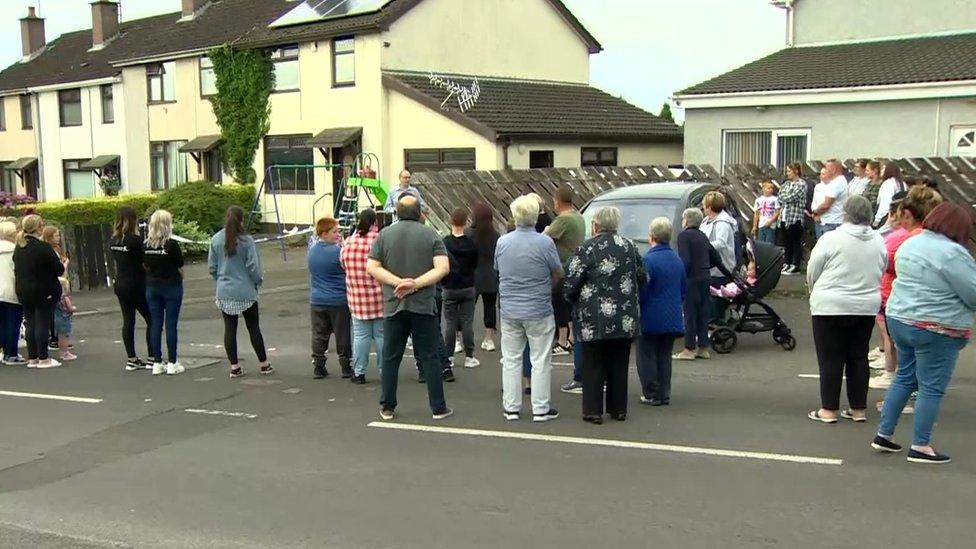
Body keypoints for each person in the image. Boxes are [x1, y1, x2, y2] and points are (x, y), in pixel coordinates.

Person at [873, 203, 976, 464]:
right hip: (936, 327)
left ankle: (884, 434)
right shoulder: (953, 254)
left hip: (900, 319)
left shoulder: (910, 243)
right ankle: (921, 445)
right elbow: (972, 294)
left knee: (904, 377)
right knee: (931, 387)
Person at [367, 195, 453, 421]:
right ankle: (438, 407)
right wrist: (415, 284)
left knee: (390, 357)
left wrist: (397, 283)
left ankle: (387, 406)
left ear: (396, 212)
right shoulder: (431, 235)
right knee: (430, 356)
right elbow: (443, 268)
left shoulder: (384, 235)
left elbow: (372, 266)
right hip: (423, 305)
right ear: (419, 213)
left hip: (393, 304)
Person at [806, 196, 886, 424]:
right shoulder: (878, 240)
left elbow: (813, 268)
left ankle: (828, 410)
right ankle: (858, 408)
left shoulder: (831, 238)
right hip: (864, 306)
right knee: (858, 356)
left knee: (830, 358)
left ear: (845, 213)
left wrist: (814, 290)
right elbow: (882, 266)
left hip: (830, 305)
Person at [564, 206, 646, 424]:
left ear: (595, 225)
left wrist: (571, 300)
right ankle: (618, 409)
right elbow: (643, 275)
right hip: (625, 317)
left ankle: (593, 411)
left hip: (595, 318)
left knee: (593, 364)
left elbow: (571, 282)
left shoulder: (586, 249)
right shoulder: (629, 246)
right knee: (619, 363)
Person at [495, 195, 563, 422]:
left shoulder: (503, 242)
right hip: (539, 308)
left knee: (511, 359)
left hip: (510, 309)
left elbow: (498, 269)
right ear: (536, 217)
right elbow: (557, 272)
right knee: (541, 359)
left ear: (515, 217)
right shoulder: (545, 243)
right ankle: (540, 408)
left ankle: (511, 407)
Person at [870, 187, 942, 391]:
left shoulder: (907, 238)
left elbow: (886, 260)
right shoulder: (938, 239)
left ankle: (902, 385)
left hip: (901, 301)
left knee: (900, 350)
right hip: (920, 304)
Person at [209, 206, 272, 379]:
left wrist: (221, 279)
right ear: (242, 220)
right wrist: (257, 281)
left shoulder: (215, 240)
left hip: (224, 291)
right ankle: (264, 364)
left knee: (230, 329)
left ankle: (234, 367)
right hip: (245, 290)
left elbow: (212, 268)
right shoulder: (247, 241)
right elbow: (254, 267)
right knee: (253, 327)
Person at [637, 217, 686, 406]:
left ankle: (651, 392)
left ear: (652, 236)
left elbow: (643, 289)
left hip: (651, 316)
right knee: (665, 356)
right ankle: (664, 393)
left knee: (646, 355)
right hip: (672, 315)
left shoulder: (648, 260)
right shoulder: (677, 259)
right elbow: (683, 289)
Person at [673, 208, 732, 361]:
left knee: (690, 314)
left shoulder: (684, 236)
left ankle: (689, 348)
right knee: (702, 312)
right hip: (705, 276)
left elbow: (685, 260)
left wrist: (679, 276)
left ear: (686, 221)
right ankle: (703, 348)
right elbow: (715, 258)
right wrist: (729, 275)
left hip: (691, 278)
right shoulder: (702, 236)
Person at [13, 215, 65, 369]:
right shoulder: (43, 247)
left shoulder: (20, 247)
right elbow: (58, 269)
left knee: (30, 323)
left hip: (23, 290)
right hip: (43, 290)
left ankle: (33, 357)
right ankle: (43, 358)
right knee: (42, 323)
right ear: (38, 228)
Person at [340, 209, 384, 385]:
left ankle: (359, 372)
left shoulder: (349, 242)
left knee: (360, 336)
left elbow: (343, 264)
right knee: (381, 336)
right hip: (379, 297)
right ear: (375, 222)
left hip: (357, 297)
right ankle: (384, 371)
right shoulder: (379, 240)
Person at [308, 216, 352, 379]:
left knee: (319, 334)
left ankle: (318, 366)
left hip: (317, 298)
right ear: (324, 233)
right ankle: (346, 366)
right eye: (335, 232)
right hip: (338, 299)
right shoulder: (338, 252)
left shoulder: (312, 252)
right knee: (342, 334)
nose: (338, 234)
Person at [109, 206, 152, 371]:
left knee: (128, 321)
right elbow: (144, 262)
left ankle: (131, 358)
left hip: (120, 283)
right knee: (151, 319)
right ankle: (152, 357)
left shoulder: (113, 240)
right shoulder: (135, 240)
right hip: (137, 283)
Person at [143, 209, 185, 376]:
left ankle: (157, 362)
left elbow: (145, 265)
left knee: (155, 324)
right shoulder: (171, 245)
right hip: (172, 286)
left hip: (152, 286)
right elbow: (180, 264)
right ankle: (172, 362)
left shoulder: (145, 245)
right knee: (171, 324)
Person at [545, 185, 585, 355]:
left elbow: (546, 236)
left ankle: (562, 341)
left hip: (562, 268)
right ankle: (572, 339)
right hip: (575, 266)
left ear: (559, 202)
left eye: (554, 201)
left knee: (560, 304)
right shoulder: (579, 216)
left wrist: (547, 229)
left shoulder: (563, 220)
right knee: (571, 305)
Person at [441, 208, 480, 369]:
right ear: (466, 223)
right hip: (468, 286)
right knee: (467, 322)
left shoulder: (445, 242)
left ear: (451, 222)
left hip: (449, 286)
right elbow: (475, 264)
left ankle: (449, 356)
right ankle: (469, 356)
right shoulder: (471, 244)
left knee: (450, 323)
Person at [700, 191, 737, 324]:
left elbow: (721, 243)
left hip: (720, 267)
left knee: (716, 297)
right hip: (708, 265)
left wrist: (703, 245)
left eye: (704, 205)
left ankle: (718, 322)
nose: (703, 208)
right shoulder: (706, 221)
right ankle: (711, 321)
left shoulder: (723, 223)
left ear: (710, 207)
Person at [468, 202, 499, 352]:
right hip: (491, 275)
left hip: (472, 276)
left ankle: (461, 340)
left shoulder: (469, 234)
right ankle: (489, 339)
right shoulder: (496, 235)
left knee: (466, 310)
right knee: (490, 308)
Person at [0, 221, 25, 365]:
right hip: (11, 290)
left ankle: (5, 353)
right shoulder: (15, 251)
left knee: (3, 324)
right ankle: (12, 354)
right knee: (13, 324)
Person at [779, 163, 808, 275]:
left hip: (795, 218)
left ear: (796, 171)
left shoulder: (802, 184)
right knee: (786, 242)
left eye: (789, 171)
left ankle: (795, 264)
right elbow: (780, 197)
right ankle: (787, 262)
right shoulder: (786, 184)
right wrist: (784, 197)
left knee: (795, 242)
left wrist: (785, 196)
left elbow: (793, 197)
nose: (787, 173)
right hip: (784, 217)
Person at [41, 225, 66, 351]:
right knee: (57, 313)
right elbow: (57, 269)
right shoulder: (48, 250)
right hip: (54, 284)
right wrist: (64, 265)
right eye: (56, 235)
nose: (59, 238)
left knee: (59, 312)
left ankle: (61, 339)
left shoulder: (57, 249)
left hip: (59, 283)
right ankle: (56, 339)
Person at [809, 159, 848, 238]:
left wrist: (815, 213)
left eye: (827, 168)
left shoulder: (836, 183)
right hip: (829, 221)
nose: (826, 170)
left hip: (832, 222)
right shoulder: (839, 181)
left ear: (833, 169)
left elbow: (826, 205)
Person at [873, 163, 906, 228]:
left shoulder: (888, 184)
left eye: (883, 169)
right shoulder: (903, 183)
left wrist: (876, 220)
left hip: (887, 218)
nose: (881, 171)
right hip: (899, 216)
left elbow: (885, 204)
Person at [54, 277, 76, 362]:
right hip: (65, 319)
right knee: (65, 336)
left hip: (57, 318)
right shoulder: (65, 297)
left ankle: (61, 352)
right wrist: (74, 308)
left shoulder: (56, 298)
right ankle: (65, 352)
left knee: (60, 336)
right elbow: (70, 308)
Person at [752, 180, 780, 245]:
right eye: (768, 188)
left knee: (769, 243)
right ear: (763, 189)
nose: (771, 190)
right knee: (761, 243)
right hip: (761, 224)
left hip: (771, 226)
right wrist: (755, 226)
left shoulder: (775, 199)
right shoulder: (758, 200)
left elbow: (777, 212)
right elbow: (756, 213)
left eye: (772, 188)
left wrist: (771, 221)